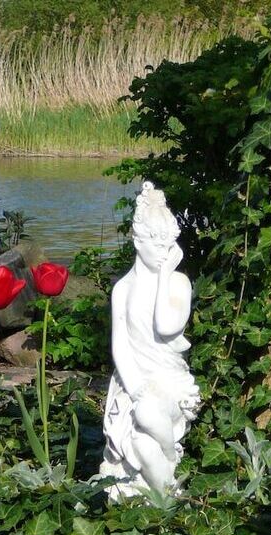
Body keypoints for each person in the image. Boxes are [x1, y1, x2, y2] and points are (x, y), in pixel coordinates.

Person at [99, 181, 200, 500]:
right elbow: (120, 347)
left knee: (147, 416)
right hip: (134, 382)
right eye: (157, 245)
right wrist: (135, 387)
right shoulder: (123, 289)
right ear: (137, 241)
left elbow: (167, 325)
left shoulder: (178, 283)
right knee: (141, 440)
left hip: (170, 383)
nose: (164, 253)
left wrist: (165, 275)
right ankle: (168, 501)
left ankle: (169, 461)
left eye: (169, 245)